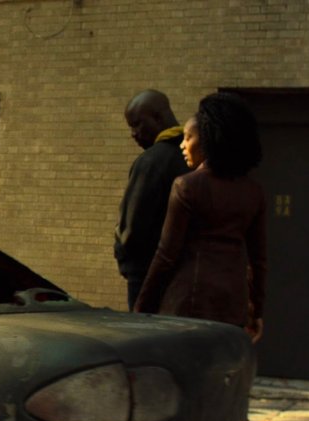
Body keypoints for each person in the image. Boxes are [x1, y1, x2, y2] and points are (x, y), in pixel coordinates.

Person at [134, 92, 267, 343]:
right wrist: (256, 309)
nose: (182, 145)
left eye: (188, 137)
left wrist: (142, 306)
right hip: (232, 306)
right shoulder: (254, 192)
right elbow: (258, 260)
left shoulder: (186, 186)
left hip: (188, 304)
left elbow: (166, 255)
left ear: (207, 140)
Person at [114, 89, 190, 310]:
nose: (133, 133)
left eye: (137, 124)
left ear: (157, 117)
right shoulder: (193, 160)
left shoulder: (151, 162)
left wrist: (125, 261)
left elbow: (132, 227)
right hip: (184, 276)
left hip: (144, 274)